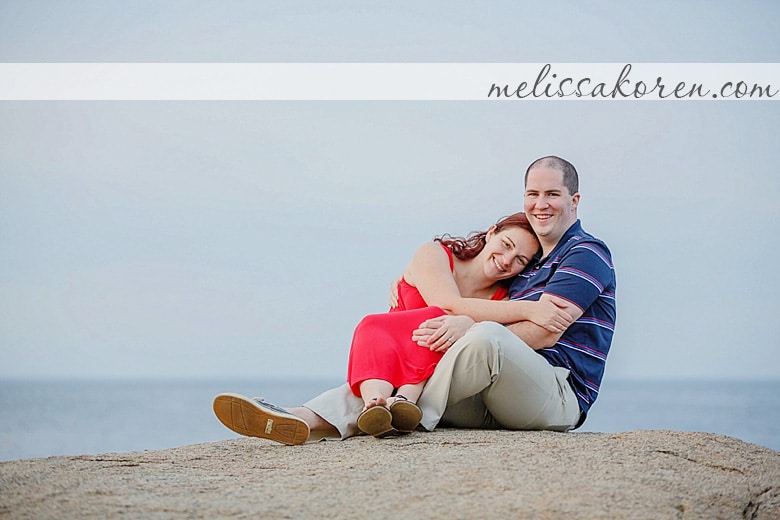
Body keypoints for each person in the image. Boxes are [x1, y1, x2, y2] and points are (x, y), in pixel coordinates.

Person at [213, 155, 616, 445]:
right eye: (533, 193)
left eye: (553, 194)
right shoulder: (526, 265)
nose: (540, 204)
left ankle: (399, 401)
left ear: (574, 201)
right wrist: (413, 283)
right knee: (437, 354)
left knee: (484, 339)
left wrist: (468, 324)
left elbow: (543, 333)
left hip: (554, 396)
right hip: (491, 396)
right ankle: (306, 418)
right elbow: (472, 303)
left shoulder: (584, 253)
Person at [346, 212, 570, 438]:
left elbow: (482, 339)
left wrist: (468, 323)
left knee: (436, 328)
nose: (506, 260)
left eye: (520, 260)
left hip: (430, 377)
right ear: (491, 233)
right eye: (506, 244)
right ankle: (374, 405)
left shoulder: (502, 301)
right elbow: (447, 305)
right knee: (378, 327)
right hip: (386, 359)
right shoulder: (434, 254)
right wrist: (529, 308)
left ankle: (400, 405)